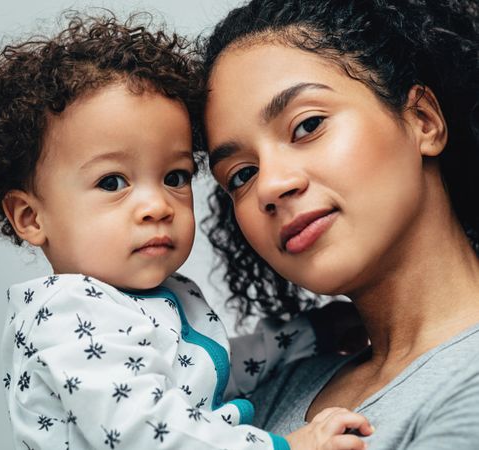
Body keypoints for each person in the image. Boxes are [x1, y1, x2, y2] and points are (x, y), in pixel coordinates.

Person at [0, 12, 374, 450]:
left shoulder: (148, 299)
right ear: (31, 218)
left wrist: (310, 334)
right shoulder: (67, 318)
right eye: (112, 183)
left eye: (175, 177)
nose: (157, 206)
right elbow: (146, 432)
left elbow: (209, 372)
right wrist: (287, 448)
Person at [201, 1, 479, 449]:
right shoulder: (263, 395)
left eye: (308, 125)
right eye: (241, 175)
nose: (270, 186)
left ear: (423, 121)